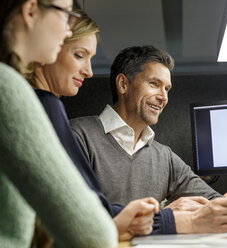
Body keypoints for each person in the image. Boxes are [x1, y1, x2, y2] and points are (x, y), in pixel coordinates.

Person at [70, 45, 227, 233]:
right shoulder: (78, 136)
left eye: (167, 89)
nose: (163, 97)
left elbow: (210, 199)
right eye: (154, 84)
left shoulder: (163, 156)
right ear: (123, 84)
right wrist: (165, 215)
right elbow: (78, 216)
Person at [29, 9, 160, 240]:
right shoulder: (51, 110)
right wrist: (170, 219)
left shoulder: (162, 153)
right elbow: (87, 212)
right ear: (50, 47)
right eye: (79, 55)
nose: (89, 72)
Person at [0, 0, 117, 247]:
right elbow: (93, 234)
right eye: (65, 14)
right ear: (31, 11)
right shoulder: (7, 88)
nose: (67, 29)